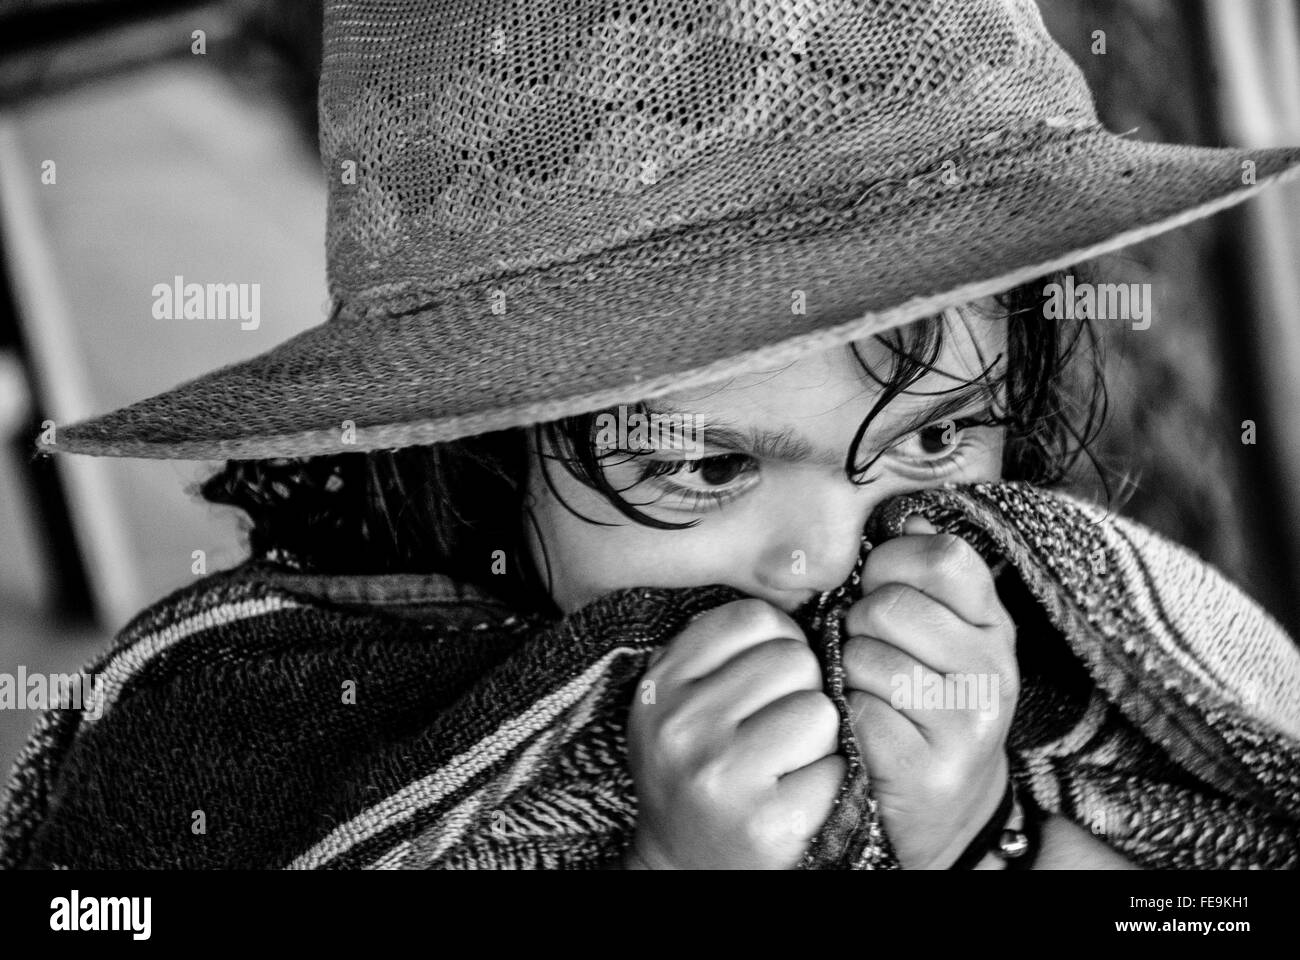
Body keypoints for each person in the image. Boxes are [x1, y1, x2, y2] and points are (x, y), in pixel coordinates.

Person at [2, 0, 1298, 870]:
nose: (821, 556)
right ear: (471, 450)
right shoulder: (266, 720)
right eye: (707, 464)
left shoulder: (1048, 639)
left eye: (938, 436)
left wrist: (971, 830)